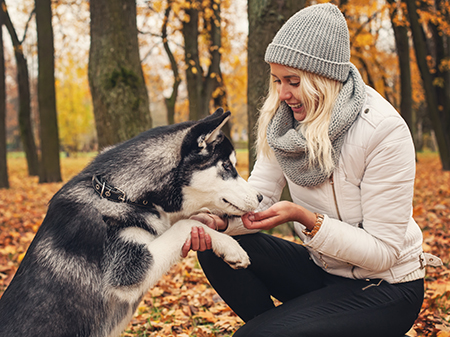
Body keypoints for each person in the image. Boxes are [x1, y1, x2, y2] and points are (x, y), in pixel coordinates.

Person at [181, 3, 441, 337]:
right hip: (325, 271)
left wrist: (306, 219)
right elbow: (257, 199)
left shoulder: (383, 129)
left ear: (324, 78)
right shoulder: (284, 125)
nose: (283, 94)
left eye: (293, 81)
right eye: (277, 80)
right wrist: (217, 220)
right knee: (215, 246)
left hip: (386, 286)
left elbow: (382, 254)